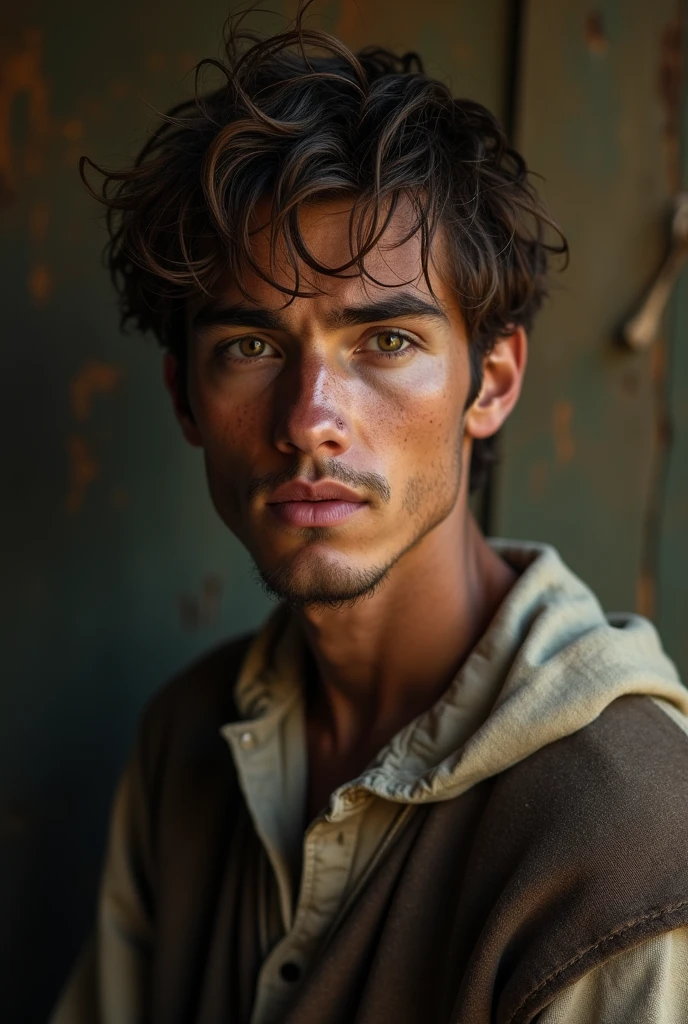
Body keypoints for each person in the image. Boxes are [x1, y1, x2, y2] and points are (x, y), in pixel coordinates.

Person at [51, 10, 688, 1024]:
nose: (310, 423)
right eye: (251, 349)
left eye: (383, 341)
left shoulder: (628, 839)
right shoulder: (189, 740)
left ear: (491, 382)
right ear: (184, 399)